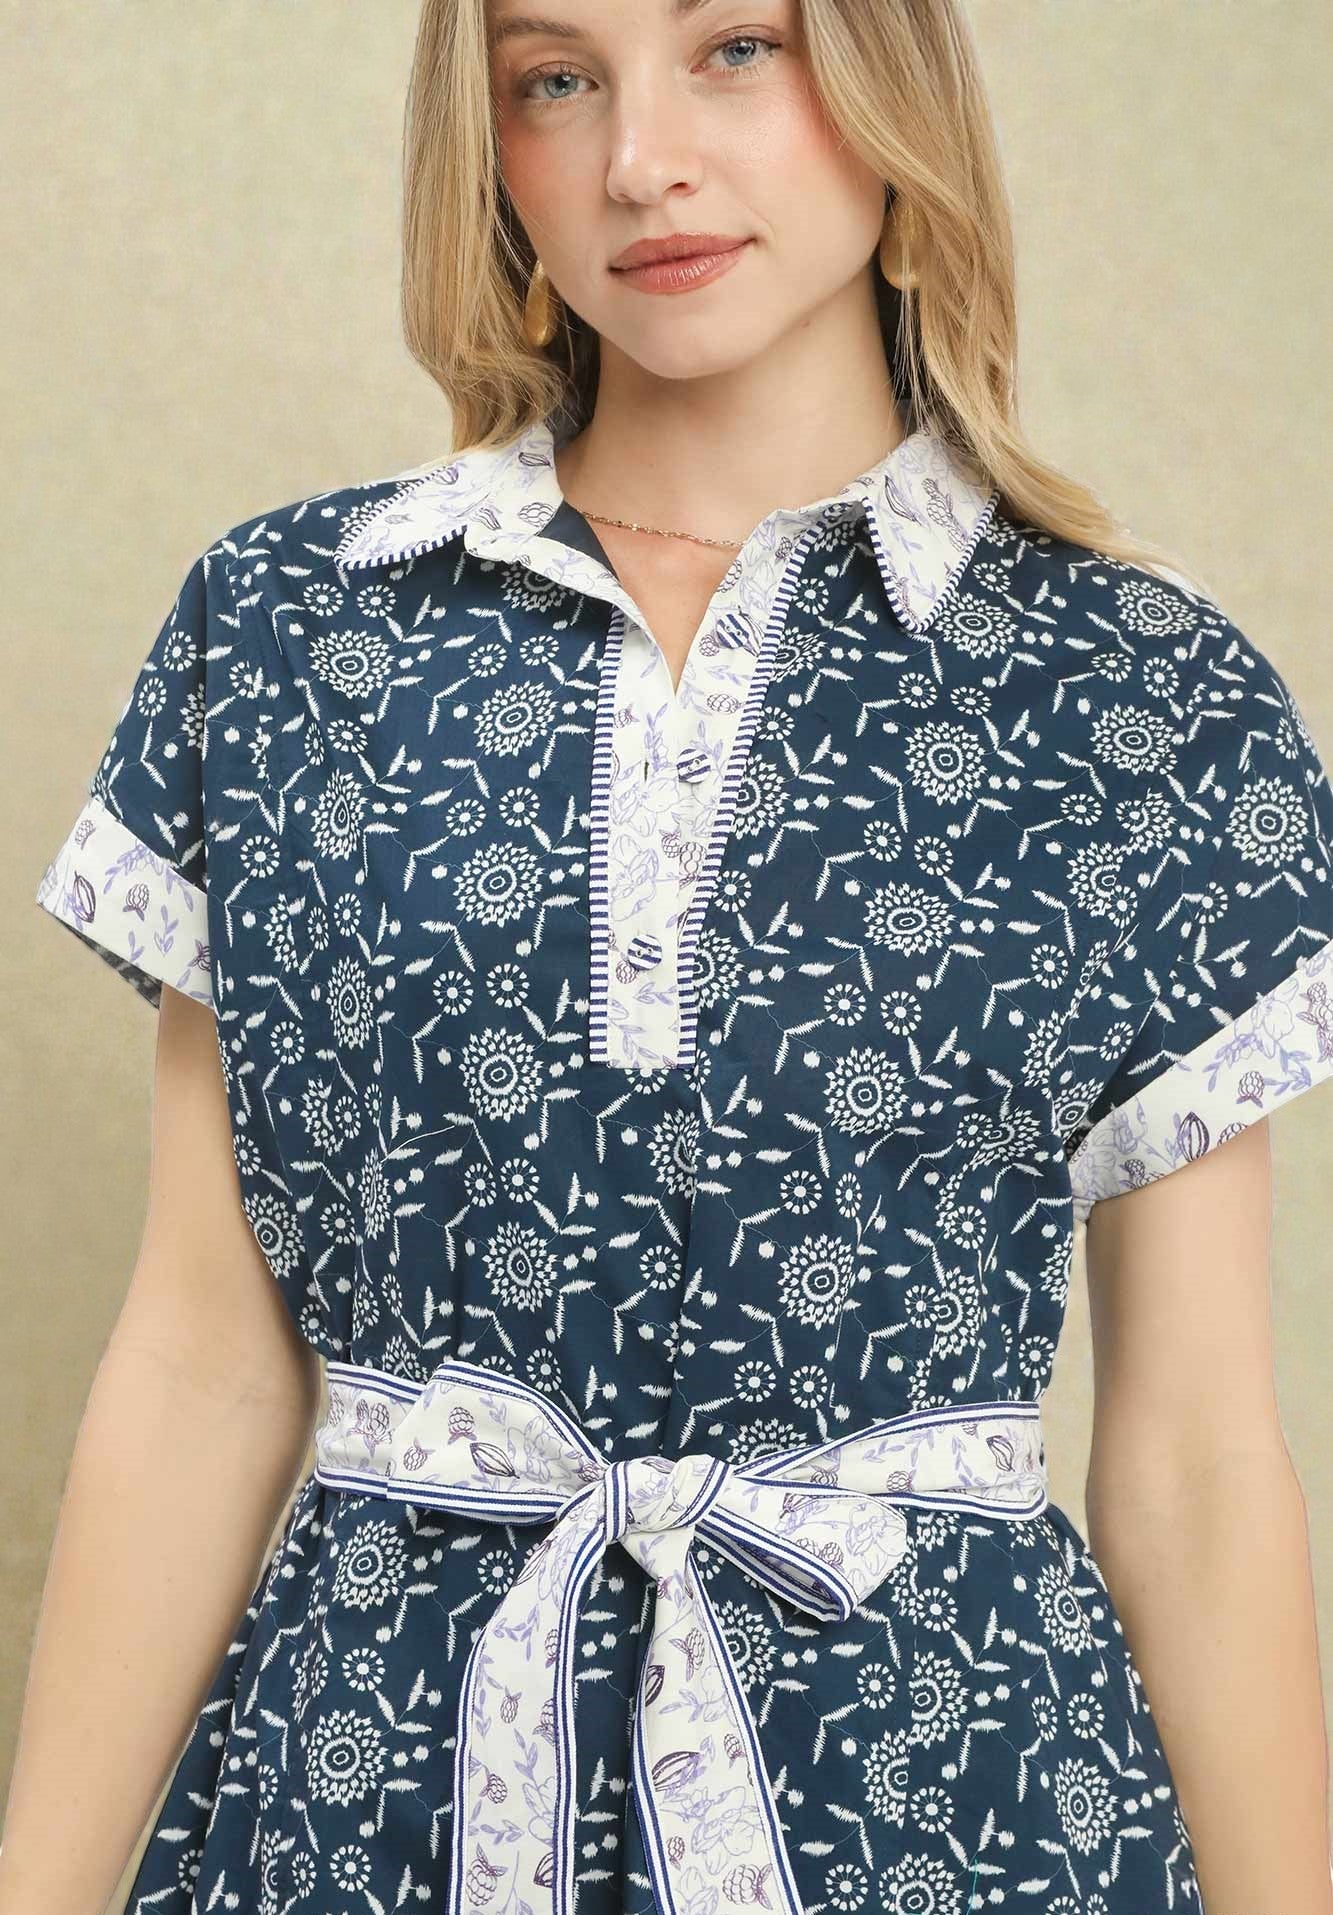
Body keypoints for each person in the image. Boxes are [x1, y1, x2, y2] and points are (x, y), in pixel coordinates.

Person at [5, 0, 1332, 1909]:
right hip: (371, 1801)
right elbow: (207, 1358)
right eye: (556, 79)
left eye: (735, 47)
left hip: (952, 1814)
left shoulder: (1136, 700)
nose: (640, 158)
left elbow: (1196, 1460)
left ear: (890, 82)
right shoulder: (294, 635)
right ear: (488, 147)